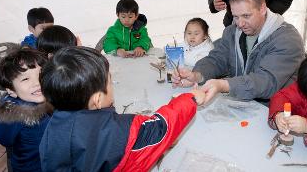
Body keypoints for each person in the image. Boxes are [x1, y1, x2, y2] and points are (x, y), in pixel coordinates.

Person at [39, 46, 205, 171]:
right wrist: (190, 99)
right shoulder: (118, 130)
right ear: (97, 100)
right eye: (110, 81)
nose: (112, 85)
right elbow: (159, 130)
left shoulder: (51, 128)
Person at [172, 0, 304, 105]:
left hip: (276, 112)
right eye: (236, 16)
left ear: (263, 8)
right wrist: (197, 75)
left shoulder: (287, 39)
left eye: (246, 16)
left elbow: (266, 82)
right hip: (243, 104)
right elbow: (217, 59)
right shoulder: (232, 31)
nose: (240, 23)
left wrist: (225, 85)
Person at [0, 48, 52, 172]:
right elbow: (3, 139)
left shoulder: (50, 96)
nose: (37, 83)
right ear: (11, 91)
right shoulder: (12, 114)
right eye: (25, 79)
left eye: (40, 75)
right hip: (31, 167)